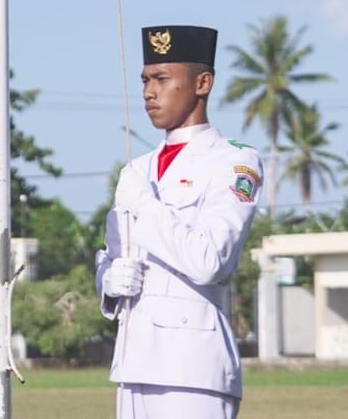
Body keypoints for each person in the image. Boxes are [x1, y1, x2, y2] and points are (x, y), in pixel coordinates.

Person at [94, 25, 263, 419]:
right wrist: (108, 280)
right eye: (145, 81)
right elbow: (114, 255)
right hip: (133, 362)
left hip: (193, 366)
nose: (149, 93)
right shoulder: (137, 170)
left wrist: (146, 205)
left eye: (162, 79)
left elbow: (210, 261)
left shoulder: (233, 161)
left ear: (202, 83)